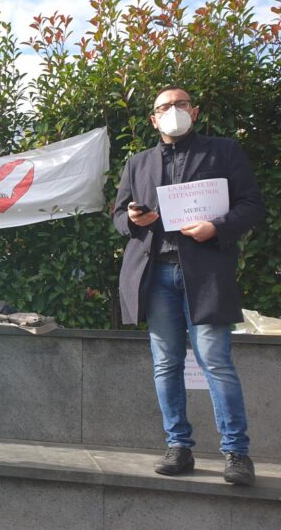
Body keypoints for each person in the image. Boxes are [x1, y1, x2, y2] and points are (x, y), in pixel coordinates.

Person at [113, 86, 265, 486]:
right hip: (156, 272)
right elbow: (118, 216)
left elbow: (251, 205)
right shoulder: (138, 162)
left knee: (215, 360)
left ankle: (237, 452)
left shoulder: (223, 151)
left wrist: (217, 226)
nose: (173, 111)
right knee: (166, 363)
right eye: (164, 107)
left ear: (194, 111)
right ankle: (178, 447)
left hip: (206, 272)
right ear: (153, 119)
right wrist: (133, 219)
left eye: (180, 104)